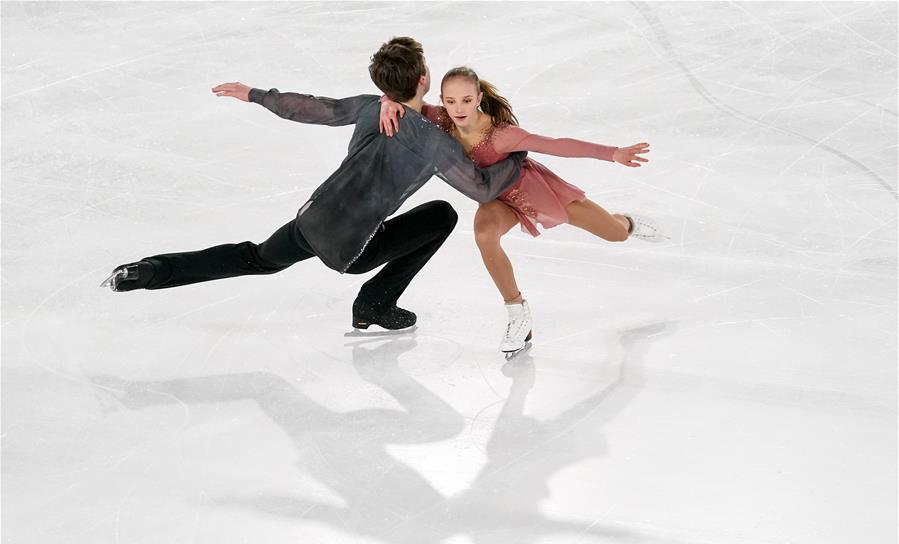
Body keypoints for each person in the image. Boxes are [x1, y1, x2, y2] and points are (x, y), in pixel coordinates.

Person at [101, 39, 526, 332]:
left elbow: (308, 108)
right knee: (442, 215)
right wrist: (517, 153)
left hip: (312, 221)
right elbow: (483, 190)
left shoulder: (369, 106)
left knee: (255, 258)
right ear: (422, 81)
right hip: (355, 249)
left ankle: (149, 271)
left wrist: (254, 94)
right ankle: (374, 302)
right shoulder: (434, 143)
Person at [379, 66, 663, 356]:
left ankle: (626, 222)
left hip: (533, 193)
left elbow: (555, 145)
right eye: (450, 101)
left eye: (466, 100)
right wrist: (386, 101)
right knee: (485, 235)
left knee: (615, 235)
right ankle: (517, 314)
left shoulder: (501, 135)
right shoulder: (439, 119)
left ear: (478, 97)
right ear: (442, 100)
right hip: (497, 202)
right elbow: (404, 103)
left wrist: (612, 153)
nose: (458, 108)